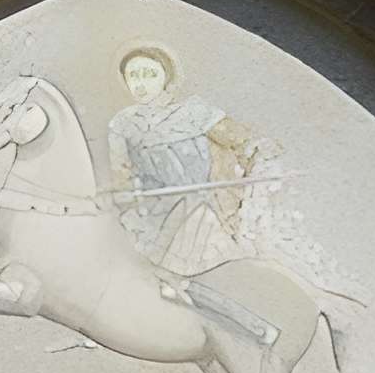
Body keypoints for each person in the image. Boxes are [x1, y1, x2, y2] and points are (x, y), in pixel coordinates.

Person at [107, 44, 267, 277]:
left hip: (205, 208)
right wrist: (129, 214)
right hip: (156, 215)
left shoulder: (195, 113)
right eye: (132, 76)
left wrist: (257, 157)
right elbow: (122, 178)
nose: (140, 84)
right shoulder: (123, 124)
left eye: (149, 74)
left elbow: (243, 142)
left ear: (166, 76)